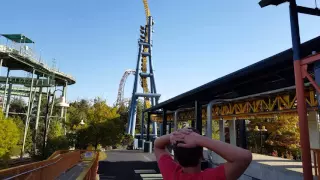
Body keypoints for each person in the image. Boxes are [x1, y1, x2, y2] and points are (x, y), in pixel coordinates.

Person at [154, 128, 252, 180]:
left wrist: (172, 135)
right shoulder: (211, 177)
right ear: (202, 155)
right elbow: (244, 157)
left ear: (176, 158)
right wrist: (200, 139)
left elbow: (158, 145)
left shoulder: (171, 174)